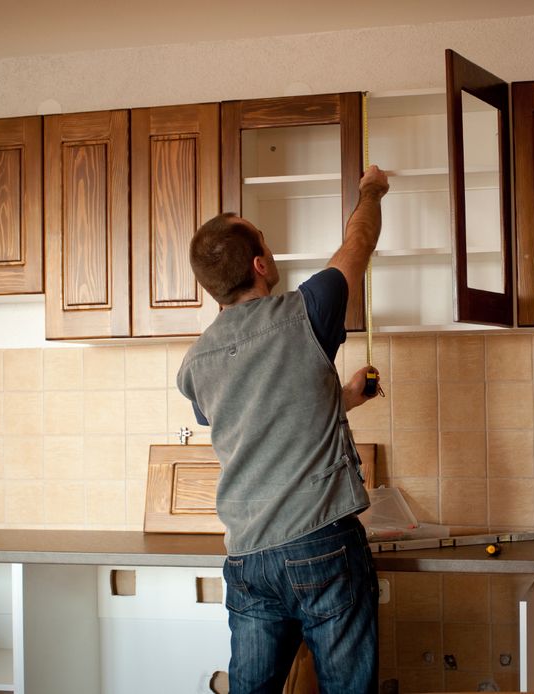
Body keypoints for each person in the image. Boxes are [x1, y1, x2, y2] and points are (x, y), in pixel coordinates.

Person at [177, 164, 390, 694]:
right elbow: (358, 243)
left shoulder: (195, 366)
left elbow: (259, 418)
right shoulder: (307, 312)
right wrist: (371, 190)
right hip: (321, 543)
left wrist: (341, 400)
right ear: (260, 264)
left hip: (249, 558)